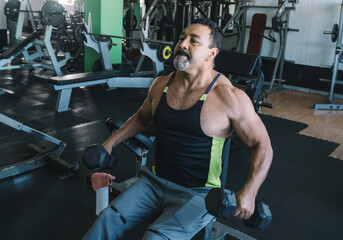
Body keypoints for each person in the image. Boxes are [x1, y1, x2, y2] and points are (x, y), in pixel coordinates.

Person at [84, 18, 273, 240]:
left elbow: (263, 145)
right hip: (153, 183)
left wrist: (250, 191)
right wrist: (109, 144)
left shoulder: (230, 98)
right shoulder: (161, 85)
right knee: (108, 219)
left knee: (155, 237)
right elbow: (142, 118)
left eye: (194, 41)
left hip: (199, 194)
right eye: (182, 38)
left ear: (211, 54)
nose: (182, 44)